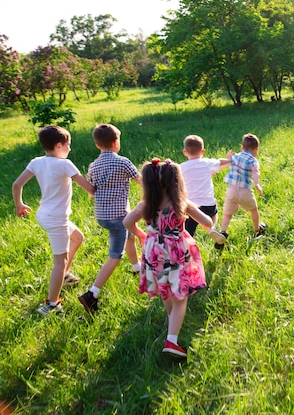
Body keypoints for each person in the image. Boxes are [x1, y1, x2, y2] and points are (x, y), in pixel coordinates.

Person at [123, 158, 226, 358]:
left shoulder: (145, 204)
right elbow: (206, 222)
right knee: (181, 295)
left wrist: (143, 235)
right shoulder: (182, 204)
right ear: (175, 181)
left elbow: (127, 222)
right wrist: (208, 224)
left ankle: (173, 320)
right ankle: (172, 340)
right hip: (176, 250)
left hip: (153, 249)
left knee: (165, 288)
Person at [12, 125, 95, 315]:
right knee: (60, 260)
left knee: (78, 237)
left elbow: (17, 184)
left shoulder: (36, 162)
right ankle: (51, 304)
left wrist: (19, 205)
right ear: (59, 146)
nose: (70, 149)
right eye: (68, 145)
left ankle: (64, 275)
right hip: (57, 219)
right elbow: (88, 188)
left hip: (44, 214)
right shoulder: (65, 164)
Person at [78, 124, 142, 314]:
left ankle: (136, 268)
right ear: (116, 143)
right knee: (115, 255)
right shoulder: (123, 162)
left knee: (130, 236)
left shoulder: (93, 165)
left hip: (103, 215)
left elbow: (92, 191)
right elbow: (140, 180)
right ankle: (91, 294)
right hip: (118, 217)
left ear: (98, 145)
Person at [217, 133, 266, 247]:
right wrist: (257, 184)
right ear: (256, 150)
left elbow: (226, 161)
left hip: (231, 191)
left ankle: (223, 232)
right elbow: (255, 172)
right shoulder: (253, 160)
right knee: (254, 210)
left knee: (227, 214)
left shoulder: (236, 157)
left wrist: (228, 157)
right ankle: (257, 229)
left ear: (242, 148)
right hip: (245, 191)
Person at [180, 135, 232, 237]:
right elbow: (220, 162)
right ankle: (212, 228)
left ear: (185, 152)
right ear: (202, 151)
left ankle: (187, 243)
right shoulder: (207, 163)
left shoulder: (182, 167)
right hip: (208, 204)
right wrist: (229, 160)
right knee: (214, 213)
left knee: (188, 229)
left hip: (190, 207)